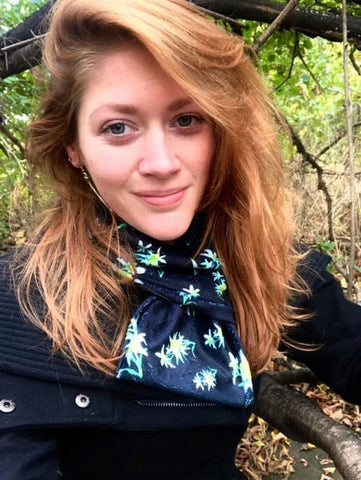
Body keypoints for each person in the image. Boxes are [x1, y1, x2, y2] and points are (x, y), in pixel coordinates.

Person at [0, 0, 361, 478]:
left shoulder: (251, 257)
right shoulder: (22, 305)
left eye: (186, 119)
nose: (162, 162)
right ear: (73, 149)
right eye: (118, 128)